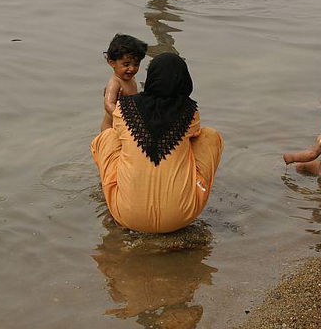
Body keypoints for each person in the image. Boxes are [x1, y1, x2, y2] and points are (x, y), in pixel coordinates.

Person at [91, 53, 224, 233]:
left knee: (108, 137)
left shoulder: (125, 107)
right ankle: (184, 191)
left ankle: (118, 190)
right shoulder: (189, 112)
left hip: (127, 215)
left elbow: (115, 133)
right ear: (184, 80)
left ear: (151, 77)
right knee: (209, 137)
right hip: (180, 217)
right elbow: (194, 135)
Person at [102, 34, 149, 131]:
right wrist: (123, 118)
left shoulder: (132, 79)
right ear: (112, 63)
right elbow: (108, 104)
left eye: (136, 64)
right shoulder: (115, 82)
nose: (131, 69)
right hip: (111, 127)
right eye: (126, 64)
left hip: (125, 124)